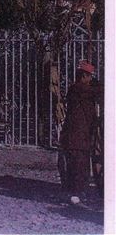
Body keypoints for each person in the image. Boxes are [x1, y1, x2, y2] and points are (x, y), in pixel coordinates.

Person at [59, 60, 101, 206]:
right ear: (84, 76)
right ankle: (74, 195)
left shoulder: (79, 89)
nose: (90, 79)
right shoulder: (78, 89)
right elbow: (97, 91)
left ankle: (77, 193)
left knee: (81, 164)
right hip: (76, 135)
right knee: (77, 165)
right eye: (89, 76)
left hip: (81, 134)